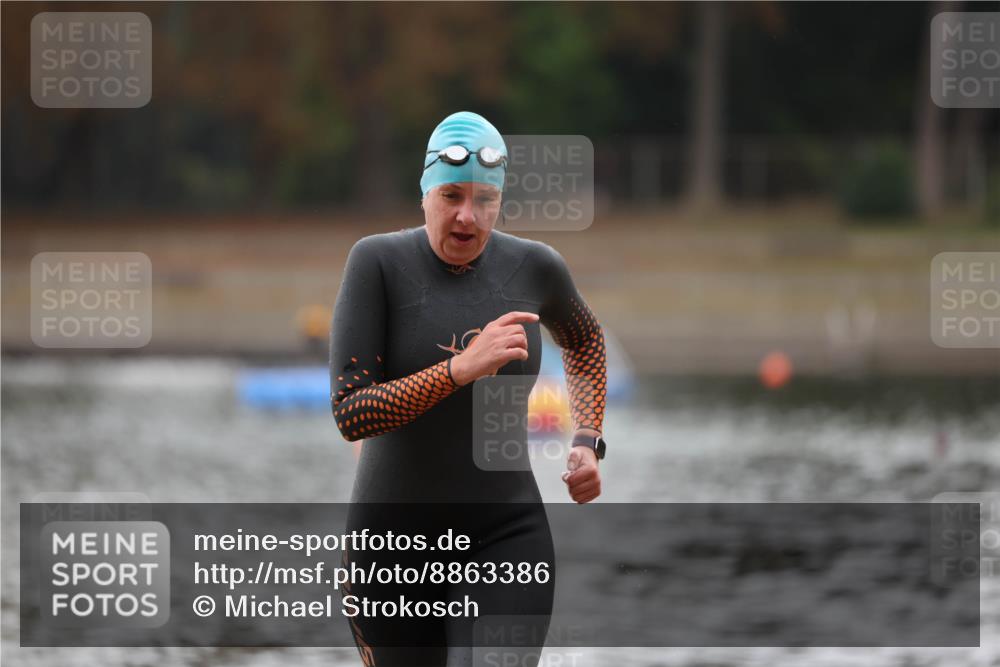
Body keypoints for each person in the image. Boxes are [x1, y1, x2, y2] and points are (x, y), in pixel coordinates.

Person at [330, 111, 608, 666]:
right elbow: (350, 413)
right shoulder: (377, 263)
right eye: (452, 195)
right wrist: (460, 370)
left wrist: (587, 437)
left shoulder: (534, 268)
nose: (466, 216)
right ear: (425, 192)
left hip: (504, 535)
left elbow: (586, 345)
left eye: (484, 201)